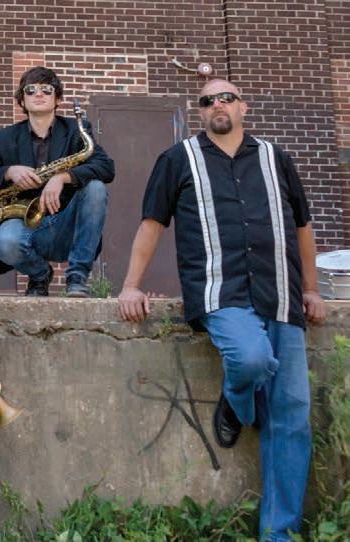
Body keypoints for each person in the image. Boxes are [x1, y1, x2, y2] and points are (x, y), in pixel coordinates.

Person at [118, 78, 327, 542]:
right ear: (201, 112)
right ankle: (236, 403)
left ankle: (278, 533)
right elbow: (151, 224)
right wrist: (131, 285)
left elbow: (303, 227)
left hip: (282, 293)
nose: (217, 104)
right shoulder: (178, 159)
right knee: (249, 358)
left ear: (243, 107)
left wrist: (312, 290)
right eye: (208, 100)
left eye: (226, 97)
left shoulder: (276, 158)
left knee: (291, 418)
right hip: (219, 293)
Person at [0, 66, 114, 297]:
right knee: (6, 242)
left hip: (66, 224)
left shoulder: (77, 131)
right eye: (30, 90)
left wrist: (63, 177)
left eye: (46, 89)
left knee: (95, 188)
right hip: (24, 222)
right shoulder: (3, 138)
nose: (38, 94)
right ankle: (40, 275)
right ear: (22, 99)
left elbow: (106, 167)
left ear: (57, 98)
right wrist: (9, 172)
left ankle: (77, 276)